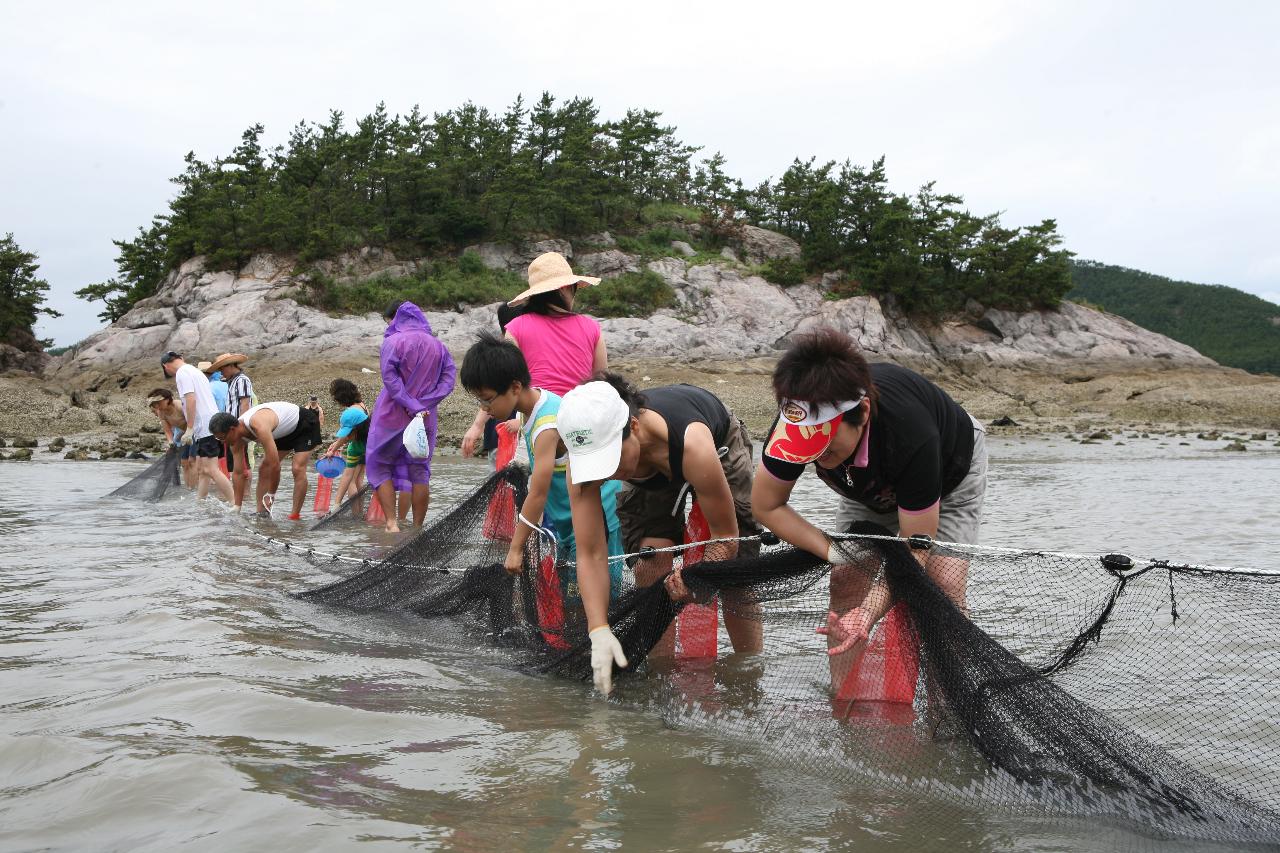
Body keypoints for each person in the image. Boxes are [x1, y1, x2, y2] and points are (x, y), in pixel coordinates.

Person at [750, 326, 988, 688]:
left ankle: (951, 711)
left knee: (942, 587)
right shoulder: (795, 424)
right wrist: (832, 551)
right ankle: (844, 698)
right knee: (846, 577)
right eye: (808, 453)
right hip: (865, 488)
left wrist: (869, 612)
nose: (819, 460)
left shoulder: (912, 433)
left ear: (861, 413)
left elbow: (915, 548)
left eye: (826, 449)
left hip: (948, 477)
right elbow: (767, 507)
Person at [559, 373, 764, 695]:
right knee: (650, 560)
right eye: (596, 465)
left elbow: (726, 536)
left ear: (634, 429)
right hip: (651, 470)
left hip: (716, 446)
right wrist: (598, 629)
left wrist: (697, 576)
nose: (608, 474)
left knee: (738, 573)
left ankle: (749, 672)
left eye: (610, 459)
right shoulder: (583, 464)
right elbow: (591, 552)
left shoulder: (692, 444)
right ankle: (660, 675)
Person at [460, 332, 625, 599]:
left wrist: (516, 548)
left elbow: (538, 492)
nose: (485, 408)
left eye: (488, 399)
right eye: (479, 400)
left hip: (597, 515)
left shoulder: (546, 425)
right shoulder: (534, 405)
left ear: (515, 387)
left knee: (595, 594)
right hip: (569, 519)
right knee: (571, 592)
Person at [461, 252, 605, 457]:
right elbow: (602, 385)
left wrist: (477, 426)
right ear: (565, 288)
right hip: (580, 426)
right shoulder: (592, 328)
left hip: (538, 424)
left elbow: (497, 379)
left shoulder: (517, 328)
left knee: (534, 485)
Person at [365, 301, 456, 533]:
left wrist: (410, 403)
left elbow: (390, 378)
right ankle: (417, 528)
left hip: (391, 414)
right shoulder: (439, 346)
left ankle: (392, 524)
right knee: (420, 470)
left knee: (378, 464)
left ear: (396, 319)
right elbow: (448, 381)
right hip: (425, 417)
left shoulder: (392, 342)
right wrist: (423, 404)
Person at [209, 401, 323, 519]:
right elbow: (238, 473)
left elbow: (275, 466)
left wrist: (271, 494)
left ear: (232, 429)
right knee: (264, 469)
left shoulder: (258, 425)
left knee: (297, 468)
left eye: (222, 438)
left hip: (303, 424)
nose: (222, 442)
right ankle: (262, 513)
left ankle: (295, 515)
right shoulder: (235, 441)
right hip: (282, 433)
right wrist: (237, 506)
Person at [161, 351, 234, 503]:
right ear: (181, 358)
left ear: (165, 366)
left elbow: (190, 400)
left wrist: (189, 427)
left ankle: (235, 503)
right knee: (202, 470)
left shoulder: (182, 373)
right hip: (208, 425)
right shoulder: (194, 370)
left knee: (211, 470)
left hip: (206, 426)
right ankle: (200, 504)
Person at [208, 352, 254, 494]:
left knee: (242, 465)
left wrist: (242, 429)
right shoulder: (231, 381)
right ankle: (241, 495)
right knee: (234, 465)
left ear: (230, 366)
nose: (221, 372)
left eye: (222, 369)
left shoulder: (242, 380)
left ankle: (245, 495)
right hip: (231, 431)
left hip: (238, 429)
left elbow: (245, 404)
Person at [321, 378, 369, 506]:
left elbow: (348, 436)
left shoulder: (350, 412)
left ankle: (354, 513)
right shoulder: (362, 406)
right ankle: (360, 512)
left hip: (358, 448)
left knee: (351, 481)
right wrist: (335, 446)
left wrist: (334, 447)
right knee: (359, 480)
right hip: (366, 446)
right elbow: (350, 433)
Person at [146, 388, 195, 487]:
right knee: (184, 462)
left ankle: (195, 489)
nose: (156, 406)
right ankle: (188, 488)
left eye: (158, 403)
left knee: (192, 461)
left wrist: (189, 433)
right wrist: (170, 442)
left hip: (195, 432)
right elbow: (167, 430)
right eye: (154, 404)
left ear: (167, 400)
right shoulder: (161, 412)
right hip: (183, 435)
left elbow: (194, 420)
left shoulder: (180, 406)